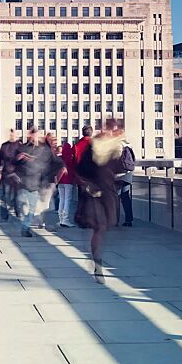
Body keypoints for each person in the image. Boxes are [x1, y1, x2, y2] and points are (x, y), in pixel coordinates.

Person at [76, 123, 124, 283]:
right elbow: (81, 168)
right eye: (109, 129)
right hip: (93, 192)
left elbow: (119, 168)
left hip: (107, 193)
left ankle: (97, 260)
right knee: (99, 227)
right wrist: (88, 184)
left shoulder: (116, 149)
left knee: (103, 229)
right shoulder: (92, 147)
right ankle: (98, 265)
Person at [14, 128, 63, 237]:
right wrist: (18, 159)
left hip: (35, 182)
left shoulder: (44, 150)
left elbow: (55, 161)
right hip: (23, 182)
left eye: (37, 135)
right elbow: (14, 163)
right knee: (22, 205)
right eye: (33, 135)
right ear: (29, 136)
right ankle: (26, 223)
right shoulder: (23, 148)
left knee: (31, 208)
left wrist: (60, 168)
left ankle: (25, 227)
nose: (35, 138)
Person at [105, 119, 136, 227]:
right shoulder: (128, 144)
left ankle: (115, 220)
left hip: (117, 175)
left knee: (115, 197)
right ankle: (129, 220)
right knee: (126, 197)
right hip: (128, 174)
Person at [0, 129, 22, 221]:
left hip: (17, 174)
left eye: (13, 135)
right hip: (6, 174)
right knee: (5, 195)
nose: (12, 136)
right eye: (11, 134)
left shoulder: (20, 146)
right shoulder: (4, 146)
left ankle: (17, 211)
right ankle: (5, 215)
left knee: (17, 195)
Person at [57, 140, 75, 228]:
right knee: (67, 200)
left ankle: (60, 219)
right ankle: (65, 219)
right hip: (68, 181)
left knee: (61, 199)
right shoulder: (71, 159)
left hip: (60, 181)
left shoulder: (60, 158)